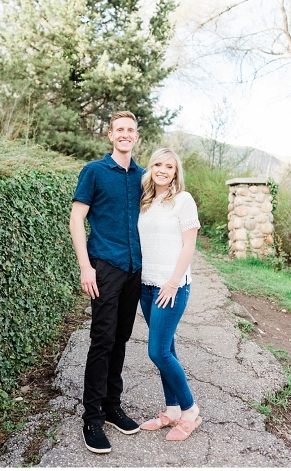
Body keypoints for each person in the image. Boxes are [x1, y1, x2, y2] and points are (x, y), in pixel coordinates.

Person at [70, 111, 145, 454]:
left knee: (121, 338)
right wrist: (86, 267)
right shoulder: (95, 172)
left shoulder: (144, 178)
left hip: (134, 269)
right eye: (120, 130)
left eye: (130, 130)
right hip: (105, 266)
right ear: (110, 136)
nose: (125, 134)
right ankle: (92, 418)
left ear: (137, 137)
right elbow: (76, 219)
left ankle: (112, 407)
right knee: (102, 340)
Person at [136, 148, 202, 440]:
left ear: (176, 173)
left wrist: (174, 282)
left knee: (158, 351)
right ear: (150, 168)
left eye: (169, 166)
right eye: (158, 164)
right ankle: (172, 410)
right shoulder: (146, 201)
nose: (163, 170)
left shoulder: (183, 200)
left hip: (171, 287)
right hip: (147, 286)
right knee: (168, 349)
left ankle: (190, 411)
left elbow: (189, 245)